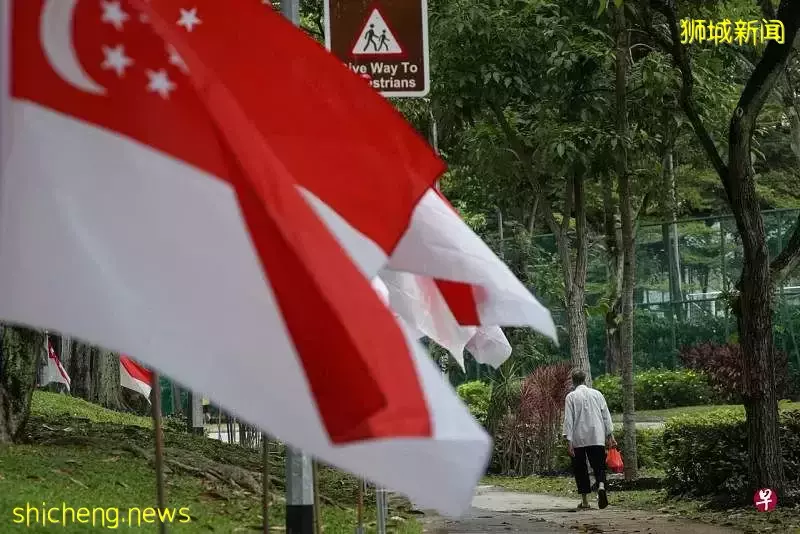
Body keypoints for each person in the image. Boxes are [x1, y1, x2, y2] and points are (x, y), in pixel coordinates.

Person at [562, 369, 616, 510]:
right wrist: (610, 435)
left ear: (573, 381)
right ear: (585, 379)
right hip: (596, 435)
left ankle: (585, 500)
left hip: (578, 438)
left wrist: (569, 441)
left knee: (580, 468)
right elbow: (606, 415)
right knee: (599, 465)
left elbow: (569, 420)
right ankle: (602, 486)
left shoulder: (571, 397)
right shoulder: (597, 394)